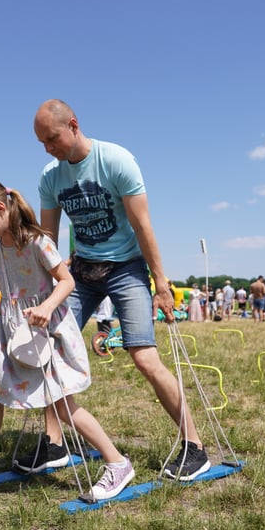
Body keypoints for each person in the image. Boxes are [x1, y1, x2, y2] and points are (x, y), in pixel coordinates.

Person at [31, 99, 210, 480]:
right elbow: (49, 237)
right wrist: (48, 286)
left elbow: (142, 224)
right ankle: (55, 443)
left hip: (126, 267)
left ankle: (194, 446)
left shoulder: (116, 160)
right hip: (81, 271)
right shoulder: (51, 176)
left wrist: (161, 283)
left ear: (74, 125)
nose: (49, 148)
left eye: (52, 139)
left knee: (144, 358)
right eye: (43, 143)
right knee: (48, 349)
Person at [0, 178, 133, 501]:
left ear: (0, 207)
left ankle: (118, 463)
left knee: (65, 407)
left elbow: (66, 281)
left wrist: (46, 307)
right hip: (14, 334)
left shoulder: (39, 242)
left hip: (46, 332)